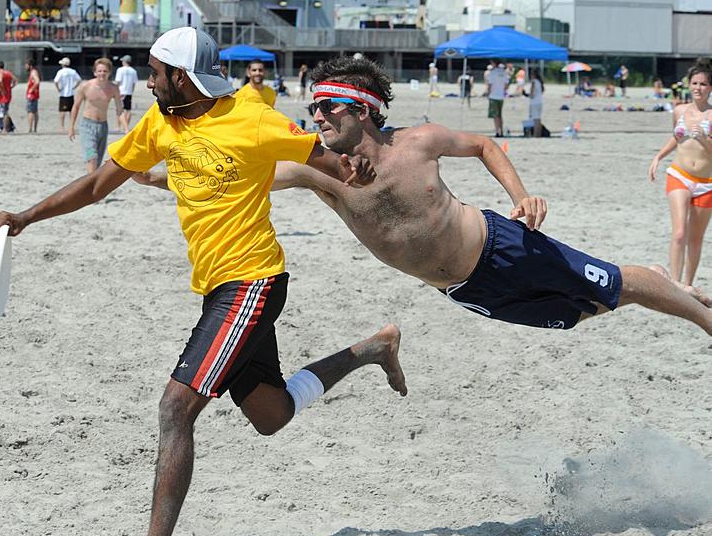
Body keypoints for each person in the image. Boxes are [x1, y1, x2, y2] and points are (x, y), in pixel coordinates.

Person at [0, 28, 403, 536]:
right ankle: (371, 349)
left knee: (175, 408)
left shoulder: (253, 118)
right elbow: (96, 187)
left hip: (252, 283)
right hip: (218, 289)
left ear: (180, 76)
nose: (150, 81)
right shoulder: (162, 121)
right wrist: (25, 217)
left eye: (157, 73)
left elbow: (334, 165)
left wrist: (359, 168)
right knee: (271, 415)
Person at [142, 56, 712, 336]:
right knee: (582, 314)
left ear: (360, 110)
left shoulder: (418, 142)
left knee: (617, 283)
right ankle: (679, 292)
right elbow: (239, 178)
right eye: (311, 109)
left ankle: (697, 313)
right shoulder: (316, 171)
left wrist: (523, 195)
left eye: (327, 108)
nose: (315, 117)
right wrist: (159, 177)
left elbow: (486, 145)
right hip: (464, 288)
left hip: (502, 245)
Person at [647, 59, 712, 291]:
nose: (698, 88)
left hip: (706, 182)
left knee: (695, 239)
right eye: (694, 83)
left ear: (710, 88)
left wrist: (704, 139)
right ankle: (674, 285)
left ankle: (688, 285)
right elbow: (676, 137)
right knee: (679, 233)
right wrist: (658, 157)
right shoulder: (680, 111)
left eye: (703, 84)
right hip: (680, 174)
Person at [68, 57, 124, 173]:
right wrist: (71, 127)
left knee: (97, 162)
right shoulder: (85, 86)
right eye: (99, 71)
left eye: (105, 71)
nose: (102, 74)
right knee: (91, 157)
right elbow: (76, 106)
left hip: (103, 127)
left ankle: (91, 185)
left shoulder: (113, 88)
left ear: (109, 72)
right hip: (87, 127)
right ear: (94, 72)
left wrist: (126, 128)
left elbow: (119, 110)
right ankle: (90, 188)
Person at [53, 56, 81, 131]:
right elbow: (79, 80)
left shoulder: (61, 72)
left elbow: (55, 81)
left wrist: (58, 89)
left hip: (63, 93)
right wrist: (74, 87)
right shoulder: (73, 71)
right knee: (71, 110)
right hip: (71, 92)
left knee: (62, 111)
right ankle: (71, 125)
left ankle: (62, 126)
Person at [114, 54, 139, 131]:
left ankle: (119, 126)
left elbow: (117, 81)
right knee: (128, 110)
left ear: (124, 62)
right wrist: (131, 91)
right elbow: (134, 83)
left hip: (121, 92)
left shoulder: (120, 70)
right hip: (129, 92)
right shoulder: (133, 71)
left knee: (119, 109)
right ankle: (126, 126)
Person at [487, 61, 508, 137]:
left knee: (495, 115)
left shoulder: (492, 73)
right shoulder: (504, 73)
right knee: (500, 115)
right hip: (501, 96)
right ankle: (501, 130)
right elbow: (506, 85)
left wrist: (488, 94)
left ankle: (497, 131)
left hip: (493, 96)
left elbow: (490, 85)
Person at [0, 61, 16, 132]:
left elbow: (0, 81)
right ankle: (5, 127)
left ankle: (5, 128)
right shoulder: (8, 73)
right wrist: (11, 87)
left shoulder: (0, 73)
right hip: (8, 94)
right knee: (5, 110)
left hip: (3, 95)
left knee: (4, 112)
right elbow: (15, 80)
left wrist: (2, 89)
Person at [526, 68, 544, 138]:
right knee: (538, 119)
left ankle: (535, 134)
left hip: (534, 103)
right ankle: (538, 134)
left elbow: (532, 93)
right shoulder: (539, 82)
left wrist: (527, 95)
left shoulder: (534, 82)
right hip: (539, 102)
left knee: (535, 119)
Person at [25, 59, 40, 133]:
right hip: (35, 95)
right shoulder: (34, 72)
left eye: (27, 65)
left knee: (30, 111)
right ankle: (34, 128)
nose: (25, 66)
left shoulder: (33, 72)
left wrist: (31, 89)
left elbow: (37, 81)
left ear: (30, 66)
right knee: (35, 111)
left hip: (32, 95)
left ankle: (30, 128)